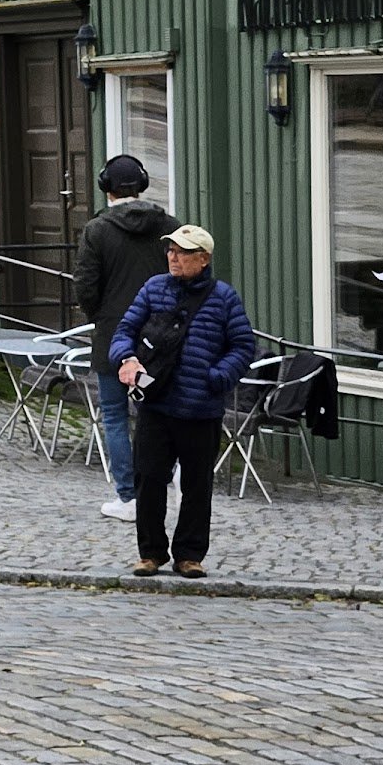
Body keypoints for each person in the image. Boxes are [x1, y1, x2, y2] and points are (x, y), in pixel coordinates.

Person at [110, 224, 257, 578]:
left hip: (200, 408)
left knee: (197, 485)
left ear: (203, 259)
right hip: (156, 402)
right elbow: (124, 331)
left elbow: (243, 346)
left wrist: (218, 377)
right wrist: (127, 359)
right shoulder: (153, 288)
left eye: (183, 252)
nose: (173, 257)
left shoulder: (224, 298)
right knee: (148, 480)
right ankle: (151, 553)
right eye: (171, 250)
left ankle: (190, 555)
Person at [72, 154, 173, 522]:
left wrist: (100, 317)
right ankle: (165, 484)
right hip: (159, 340)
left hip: (114, 339)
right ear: (142, 184)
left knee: (115, 415)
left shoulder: (97, 230)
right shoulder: (170, 227)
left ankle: (128, 498)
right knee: (155, 412)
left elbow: (85, 285)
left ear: (106, 188)